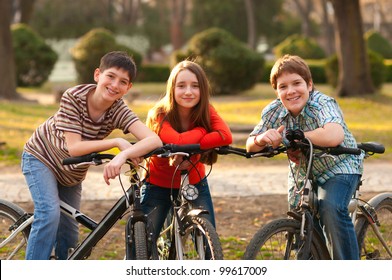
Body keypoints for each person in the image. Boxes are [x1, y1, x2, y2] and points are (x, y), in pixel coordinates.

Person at [21, 51, 162, 260]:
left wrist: (123, 155)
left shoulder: (118, 109)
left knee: (69, 232)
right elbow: (74, 148)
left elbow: (154, 140)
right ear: (97, 75)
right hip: (41, 159)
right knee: (49, 215)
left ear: (128, 88)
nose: (115, 85)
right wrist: (116, 142)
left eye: (123, 82)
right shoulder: (73, 97)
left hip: (72, 172)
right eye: (111, 76)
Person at [246, 54, 364, 260]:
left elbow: (335, 134)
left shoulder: (322, 104)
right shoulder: (274, 110)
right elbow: (250, 145)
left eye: (297, 83)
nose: (290, 91)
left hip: (339, 166)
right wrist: (262, 139)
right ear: (277, 91)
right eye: (283, 87)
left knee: (331, 208)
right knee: (301, 218)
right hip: (303, 171)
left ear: (309, 85)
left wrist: (298, 138)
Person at [139, 60, 232, 242]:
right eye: (181, 86)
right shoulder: (159, 113)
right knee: (144, 244)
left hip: (195, 182)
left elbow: (225, 136)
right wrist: (203, 132)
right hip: (157, 184)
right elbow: (178, 142)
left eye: (195, 86)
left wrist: (197, 139)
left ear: (203, 90)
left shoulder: (207, 111)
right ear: (172, 89)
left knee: (208, 241)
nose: (188, 91)